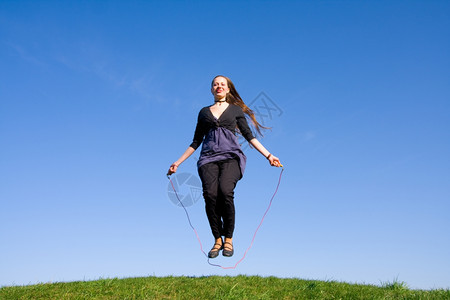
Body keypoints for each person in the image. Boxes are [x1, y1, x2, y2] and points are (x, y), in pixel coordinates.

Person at [167, 75, 281, 258]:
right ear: (211, 89)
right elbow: (196, 141)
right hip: (208, 159)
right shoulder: (204, 112)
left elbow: (249, 136)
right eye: (215, 84)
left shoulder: (235, 110)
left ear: (228, 89)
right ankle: (217, 239)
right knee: (210, 195)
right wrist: (177, 162)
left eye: (223, 84)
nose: (219, 86)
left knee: (225, 191)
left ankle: (229, 238)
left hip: (231, 158)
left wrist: (269, 155)